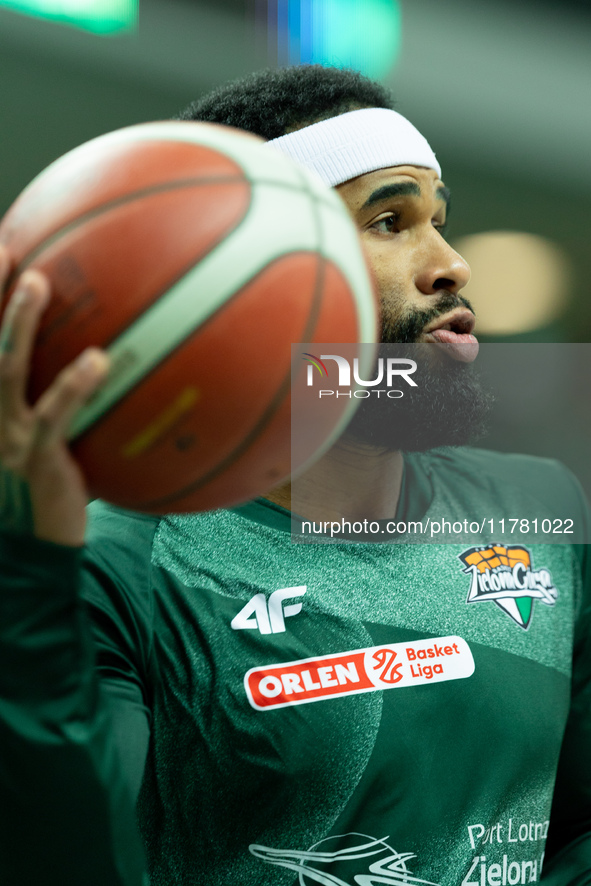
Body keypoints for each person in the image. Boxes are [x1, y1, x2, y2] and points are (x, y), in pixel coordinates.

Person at [0, 64, 589, 886]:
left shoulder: (544, 511)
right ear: (257, 279)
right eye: (389, 220)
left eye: (437, 220)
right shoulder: (111, 568)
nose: (450, 264)